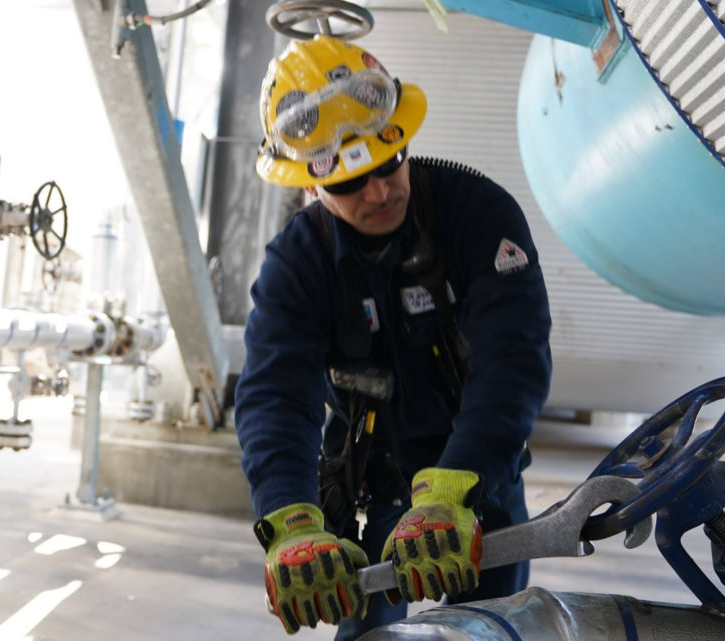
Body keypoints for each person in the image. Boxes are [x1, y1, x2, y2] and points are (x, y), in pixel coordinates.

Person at [235, 35, 552, 639]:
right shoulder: (297, 263)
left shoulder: (479, 215)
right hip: (376, 476)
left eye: (389, 163)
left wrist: (458, 485)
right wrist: (291, 519)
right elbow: (275, 395)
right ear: (310, 186)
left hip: (481, 470)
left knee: (495, 628)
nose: (380, 192)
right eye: (350, 183)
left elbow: (512, 361)